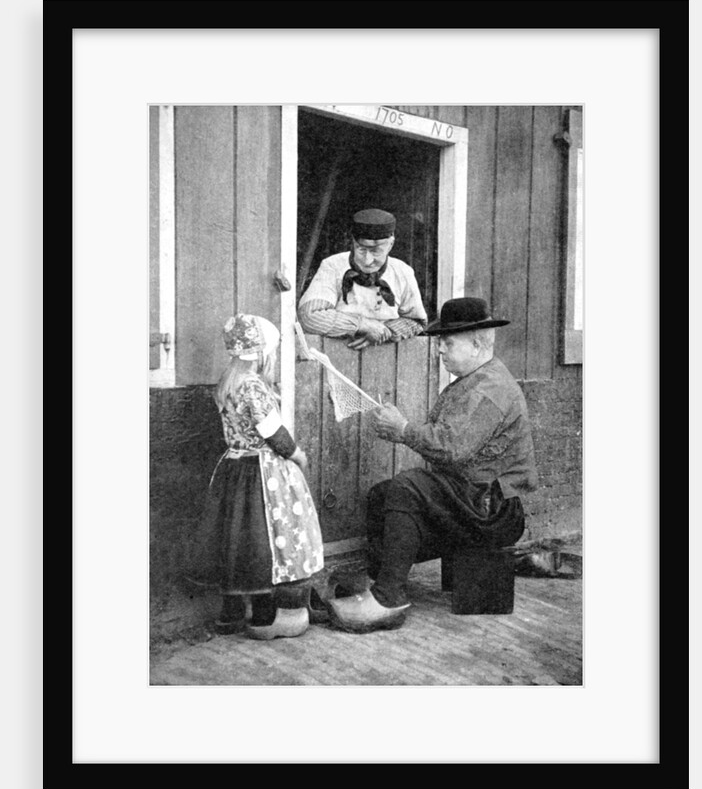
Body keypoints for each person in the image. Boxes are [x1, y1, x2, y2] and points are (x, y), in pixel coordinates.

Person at [327, 297, 539, 634]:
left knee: (407, 487)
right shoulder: (476, 379)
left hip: (492, 510)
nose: (439, 349)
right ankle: (380, 581)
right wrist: (405, 430)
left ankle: (388, 599)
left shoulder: (490, 390)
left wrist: (403, 430)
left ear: (477, 344)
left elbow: (452, 448)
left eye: (447, 342)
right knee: (382, 494)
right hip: (474, 500)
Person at [199, 313, 324, 640]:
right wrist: (298, 455)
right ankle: (263, 611)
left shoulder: (228, 382)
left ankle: (230, 613)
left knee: (234, 539)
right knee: (263, 539)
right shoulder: (253, 385)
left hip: (233, 466)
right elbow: (273, 432)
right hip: (261, 472)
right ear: (260, 352)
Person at [297, 208, 428, 350]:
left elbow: (417, 321)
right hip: (336, 352)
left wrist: (385, 331)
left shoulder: (402, 272)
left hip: (386, 355)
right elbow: (308, 317)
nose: (367, 260)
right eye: (361, 249)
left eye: (376, 251)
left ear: (390, 244)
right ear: (353, 242)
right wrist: (361, 325)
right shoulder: (333, 266)